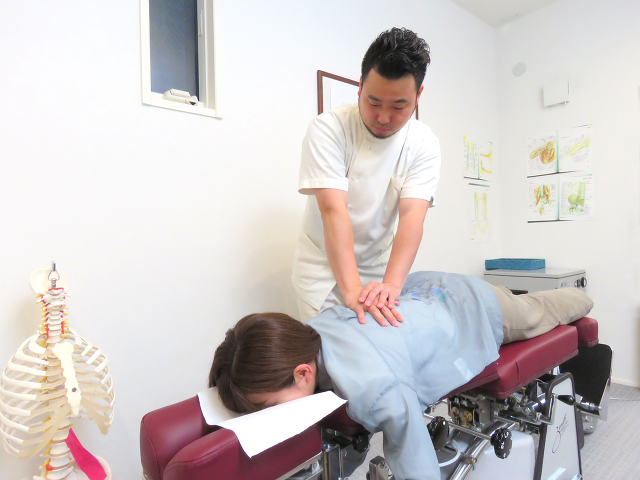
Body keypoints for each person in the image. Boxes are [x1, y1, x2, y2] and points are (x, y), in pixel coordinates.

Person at [210, 271, 594, 480]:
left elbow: (414, 455)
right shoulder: (306, 333)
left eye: (269, 406)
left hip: (470, 306)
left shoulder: (375, 388)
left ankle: (580, 296)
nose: (269, 415)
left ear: (302, 372)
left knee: (536, 312)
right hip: (423, 292)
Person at [292, 28, 441, 326]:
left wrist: (392, 285)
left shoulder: (424, 143)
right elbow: (333, 210)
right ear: (360, 86)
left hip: (378, 273)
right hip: (322, 273)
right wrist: (351, 291)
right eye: (373, 103)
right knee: (328, 348)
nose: (384, 117)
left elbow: (412, 215)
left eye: (399, 106)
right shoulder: (329, 129)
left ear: (418, 95)